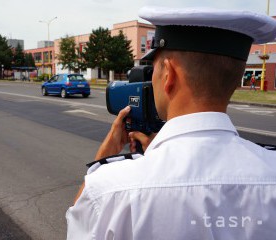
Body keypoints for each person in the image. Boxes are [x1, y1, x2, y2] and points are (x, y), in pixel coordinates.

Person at [66, 6, 276, 240]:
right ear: (236, 78)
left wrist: (104, 157)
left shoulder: (109, 189)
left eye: (153, 67)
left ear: (168, 74)